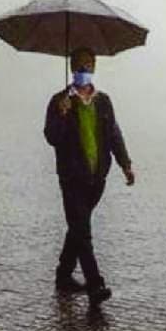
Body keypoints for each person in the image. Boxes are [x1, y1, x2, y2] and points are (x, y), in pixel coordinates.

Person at [44, 47, 135, 307]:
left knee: (78, 227)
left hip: (97, 178)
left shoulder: (103, 101)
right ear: (73, 68)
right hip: (72, 178)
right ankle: (95, 284)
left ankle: (63, 274)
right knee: (83, 231)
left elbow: (114, 135)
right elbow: (52, 137)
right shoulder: (59, 101)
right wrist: (61, 115)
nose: (86, 69)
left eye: (90, 64)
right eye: (81, 65)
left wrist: (125, 164)